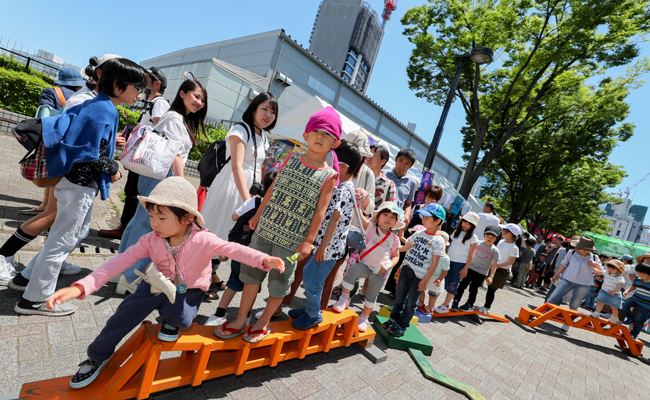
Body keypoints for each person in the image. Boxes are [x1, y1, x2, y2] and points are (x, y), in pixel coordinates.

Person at [45, 176, 284, 389]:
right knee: (123, 315)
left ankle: (172, 320)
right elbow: (120, 261)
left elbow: (232, 249)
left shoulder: (204, 239)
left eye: (161, 217)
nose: (155, 223)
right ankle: (97, 355)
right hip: (155, 283)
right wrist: (82, 286)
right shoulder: (151, 239)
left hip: (189, 290)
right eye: (151, 216)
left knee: (182, 320)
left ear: (188, 217)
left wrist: (264, 259)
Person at [8, 58, 145, 315]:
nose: (140, 94)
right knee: (62, 241)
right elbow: (86, 152)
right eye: (137, 87)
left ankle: (25, 278)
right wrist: (113, 168)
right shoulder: (105, 109)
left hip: (74, 184)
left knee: (72, 235)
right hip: (78, 186)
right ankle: (34, 300)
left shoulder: (99, 105)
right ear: (118, 85)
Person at [214, 106, 339, 343]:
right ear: (306, 135)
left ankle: (263, 322)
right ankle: (241, 318)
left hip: (292, 240)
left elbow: (321, 212)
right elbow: (271, 189)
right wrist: (257, 215)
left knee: (280, 283)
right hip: (264, 229)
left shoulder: (329, 176)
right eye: (316, 131)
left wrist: (309, 241)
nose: (320, 137)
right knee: (250, 274)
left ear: (335, 142)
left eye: (327, 134)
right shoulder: (291, 158)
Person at [0, 55, 122, 284]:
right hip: (68, 170)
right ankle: (4, 256)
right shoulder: (86, 100)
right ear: (102, 74)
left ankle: (48, 261)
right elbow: (76, 140)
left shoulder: (94, 99)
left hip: (70, 169)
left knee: (58, 220)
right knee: (52, 216)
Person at [115, 78, 208, 295]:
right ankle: (129, 278)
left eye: (203, 100)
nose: (200, 103)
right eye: (196, 96)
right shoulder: (175, 118)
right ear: (182, 93)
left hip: (157, 176)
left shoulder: (179, 119)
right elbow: (175, 154)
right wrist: (181, 183)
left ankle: (122, 273)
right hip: (163, 177)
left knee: (139, 224)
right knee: (150, 227)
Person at [200, 92, 276, 296]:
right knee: (217, 230)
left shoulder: (263, 136)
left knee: (229, 235)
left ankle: (212, 273)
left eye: (272, 111)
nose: (268, 115)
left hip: (248, 189)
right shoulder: (240, 130)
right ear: (253, 109)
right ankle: (200, 277)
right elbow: (236, 167)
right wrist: (247, 201)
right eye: (265, 109)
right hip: (232, 186)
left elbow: (257, 168)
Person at [287, 140, 363, 329]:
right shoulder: (348, 187)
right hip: (329, 246)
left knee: (312, 280)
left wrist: (323, 246)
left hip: (327, 248)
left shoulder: (342, 190)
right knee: (312, 277)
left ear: (342, 167)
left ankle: (313, 314)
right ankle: (309, 309)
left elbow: (334, 219)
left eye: (331, 162)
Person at [99, 66, 170, 240]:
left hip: (145, 158)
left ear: (156, 83)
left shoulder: (159, 103)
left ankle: (127, 232)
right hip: (139, 157)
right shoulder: (151, 103)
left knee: (135, 194)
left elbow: (160, 129)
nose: (142, 82)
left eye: (146, 79)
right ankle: (125, 228)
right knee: (131, 192)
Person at [204, 171, 277, 326]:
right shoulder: (276, 210)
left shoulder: (253, 202)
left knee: (233, 283)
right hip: (258, 255)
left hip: (240, 250)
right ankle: (247, 314)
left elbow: (234, 217)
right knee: (252, 285)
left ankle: (219, 313)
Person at [332, 202, 404, 331]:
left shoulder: (395, 238)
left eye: (393, 217)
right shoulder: (371, 226)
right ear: (378, 216)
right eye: (385, 214)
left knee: (371, 295)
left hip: (381, 271)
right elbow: (361, 219)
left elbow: (396, 256)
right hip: (365, 265)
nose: (388, 218)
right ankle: (344, 298)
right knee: (353, 271)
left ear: (395, 222)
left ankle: (364, 318)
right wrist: (358, 206)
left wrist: (389, 266)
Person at [383, 203, 446, 337]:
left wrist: (426, 281)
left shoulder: (438, 241)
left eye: (427, 218)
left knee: (411, 303)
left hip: (420, 276)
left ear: (438, 221)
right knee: (399, 298)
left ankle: (402, 325)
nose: (423, 220)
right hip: (406, 269)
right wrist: (391, 248)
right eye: (423, 217)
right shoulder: (418, 233)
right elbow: (406, 247)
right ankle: (393, 319)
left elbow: (435, 263)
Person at [546, 236, 603, 332]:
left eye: (588, 249)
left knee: (574, 305)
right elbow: (564, 264)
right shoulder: (571, 252)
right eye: (584, 248)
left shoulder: (594, 257)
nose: (586, 251)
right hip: (567, 279)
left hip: (584, 283)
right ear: (579, 246)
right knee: (553, 297)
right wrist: (556, 275)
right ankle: (543, 314)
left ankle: (567, 324)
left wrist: (595, 264)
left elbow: (601, 272)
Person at [383, 148, 419, 298]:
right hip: (380, 218)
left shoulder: (411, 182)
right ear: (396, 159)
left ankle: (374, 286)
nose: (402, 165)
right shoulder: (384, 174)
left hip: (395, 224)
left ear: (410, 166)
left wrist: (407, 215)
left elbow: (408, 203)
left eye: (407, 164)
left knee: (386, 254)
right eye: (400, 161)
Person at [434, 211, 479, 313]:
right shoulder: (455, 232)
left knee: (453, 285)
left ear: (473, 226)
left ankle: (445, 305)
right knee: (440, 281)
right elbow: (450, 247)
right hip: (448, 260)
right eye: (464, 222)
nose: (465, 224)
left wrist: (465, 268)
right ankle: (432, 303)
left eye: (469, 223)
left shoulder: (473, 237)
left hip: (460, 264)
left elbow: (471, 255)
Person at [475, 223, 522, 316]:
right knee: (489, 288)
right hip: (494, 267)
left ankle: (486, 308)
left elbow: (511, 262)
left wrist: (497, 266)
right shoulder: (501, 241)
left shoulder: (514, 247)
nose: (502, 231)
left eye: (504, 230)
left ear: (510, 234)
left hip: (502, 271)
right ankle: (484, 307)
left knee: (491, 290)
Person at [452, 225, 501, 312]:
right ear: (484, 234)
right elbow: (469, 254)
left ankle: (469, 304)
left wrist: (491, 277)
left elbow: (494, 265)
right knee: (462, 285)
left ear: (496, 238)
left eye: (492, 237)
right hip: (470, 269)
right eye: (487, 236)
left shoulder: (495, 250)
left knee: (473, 289)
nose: (489, 238)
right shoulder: (477, 243)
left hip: (481, 273)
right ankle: (456, 301)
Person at [416, 230, 450, 314]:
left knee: (432, 294)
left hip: (436, 278)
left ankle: (430, 307)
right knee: (421, 289)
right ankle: (421, 303)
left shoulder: (445, 258)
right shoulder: (431, 253)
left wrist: (440, 279)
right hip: (428, 275)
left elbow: (445, 270)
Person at [590, 259, 626, 324]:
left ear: (618, 270)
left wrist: (614, 291)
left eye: (613, 268)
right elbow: (598, 271)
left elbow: (620, 286)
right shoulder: (606, 272)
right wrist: (592, 266)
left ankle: (614, 317)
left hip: (614, 294)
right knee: (600, 302)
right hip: (604, 291)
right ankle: (597, 313)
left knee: (613, 306)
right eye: (609, 267)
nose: (610, 269)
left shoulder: (620, 277)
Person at [622, 262, 650, 339]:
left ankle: (633, 334)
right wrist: (627, 291)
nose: (640, 275)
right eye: (638, 273)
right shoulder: (637, 279)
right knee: (623, 304)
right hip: (636, 299)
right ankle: (631, 319)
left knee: (640, 320)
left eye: (643, 274)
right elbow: (633, 287)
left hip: (646, 305)